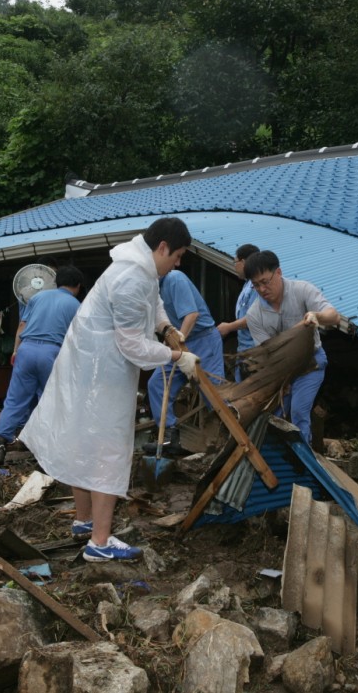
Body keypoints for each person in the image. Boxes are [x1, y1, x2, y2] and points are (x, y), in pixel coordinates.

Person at [19, 217, 200, 563]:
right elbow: (133, 346)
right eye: (177, 255)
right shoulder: (132, 277)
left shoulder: (141, 268)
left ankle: (84, 521)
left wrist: (164, 326)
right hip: (102, 370)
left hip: (91, 365)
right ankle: (99, 543)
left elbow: (154, 302)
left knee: (84, 439)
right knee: (108, 448)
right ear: (162, 248)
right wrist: (177, 356)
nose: (177, 263)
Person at [243, 250, 339, 444]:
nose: (262, 289)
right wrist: (281, 382)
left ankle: (303, 464)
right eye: (256, 285)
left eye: (265, 281)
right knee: (274, 415)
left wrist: (316, 316)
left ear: (278, 272)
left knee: (298, 411)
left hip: (310, 364)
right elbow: (268, 353)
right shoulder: (254, 315)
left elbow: (334, 316)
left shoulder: (302, 290)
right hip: (281, 370)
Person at [0, 263, 84, 462]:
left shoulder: (37, 297)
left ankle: (0, 439)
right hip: (52, 352)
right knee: (50, 400)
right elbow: (76, 339)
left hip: (26, 348)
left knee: (16, 398)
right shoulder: (76, 305)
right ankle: (48, 447)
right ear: (77, 285)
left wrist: (16, 351)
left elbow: (22, 326)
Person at [146, 266, 225, 455]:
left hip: (202, 340)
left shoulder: (174, 279)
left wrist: (178, 342)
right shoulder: (150, 288)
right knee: (157, 384)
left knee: (214, 394)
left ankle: (227, 437)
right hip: (178, 343)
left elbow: (192, 315)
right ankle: (170, 436)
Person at [216, 244, 259, 382]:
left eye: (235, 262)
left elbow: (254, 318)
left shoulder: (258, 286)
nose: (234, 266)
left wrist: (229, 327)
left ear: (244, 262)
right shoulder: (248, 284)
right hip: (244, 350)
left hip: (254, 351)